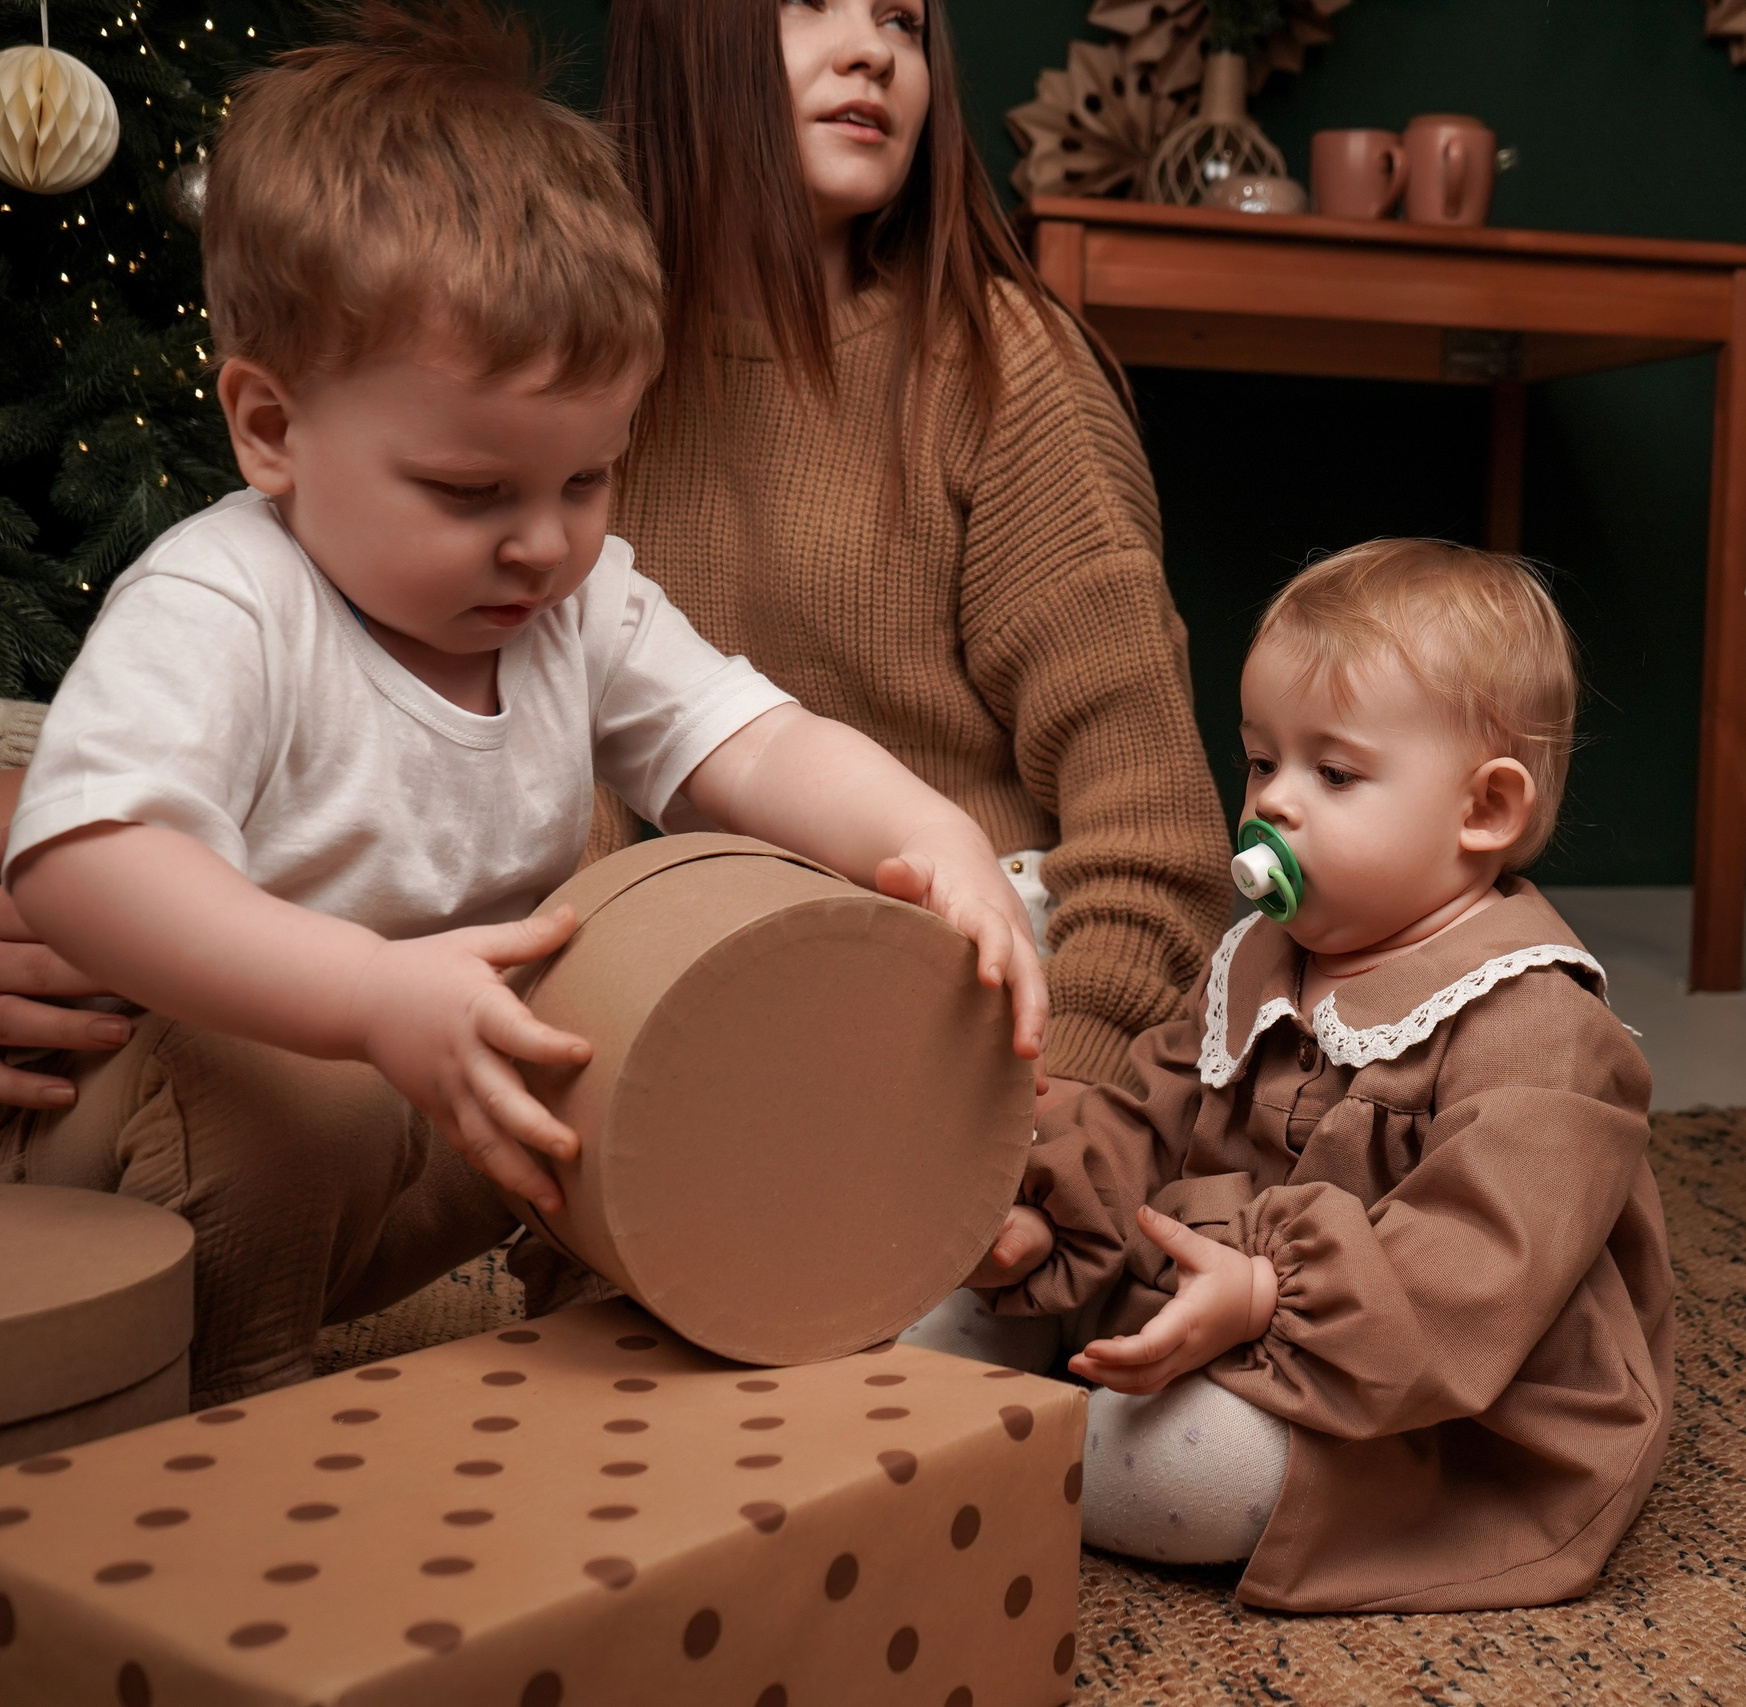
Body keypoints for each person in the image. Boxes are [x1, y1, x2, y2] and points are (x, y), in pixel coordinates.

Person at [0, 0, 1044, 1406]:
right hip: (164, 1153)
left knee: (638, 994)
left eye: (584, 478)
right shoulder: (225, 602)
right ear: (269, 428)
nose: (541, 542)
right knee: (282, 1089)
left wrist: (934, 837)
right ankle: (232, 1419)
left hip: (436, 1095)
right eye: (470, 491)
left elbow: (758, 738)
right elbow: (81, 863)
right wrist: (367, 996)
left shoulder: (575, 603)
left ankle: (607, 1366)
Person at [955, 541, 1676, 1613]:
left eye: (1332, 774)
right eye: (1260, 762)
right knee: (964, 1292)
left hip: (1428, 1398)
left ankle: (997, 1462)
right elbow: (1152, 1106)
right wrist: (1053, 1215)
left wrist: (1268, 1296)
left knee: (1193, 1469)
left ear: (1484, 810)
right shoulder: (1258, 957)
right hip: (1217, 1297)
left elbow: (1479, 1267)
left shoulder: (1539, 1035)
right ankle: (965, 1390)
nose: (1273, 805)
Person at [601, 0, 1229, 1108]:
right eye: (813, 5)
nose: (872, 50)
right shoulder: (584, 377)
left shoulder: (1002, 368)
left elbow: (1153, 831)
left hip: (986, 971)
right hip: (696, 978)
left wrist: (1072, 1100)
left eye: (901, 18)